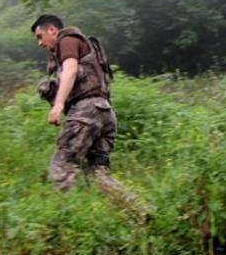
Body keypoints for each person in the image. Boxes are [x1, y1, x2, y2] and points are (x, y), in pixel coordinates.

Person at [32, 14, 149, 220]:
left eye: (40, 36)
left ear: (52, 30)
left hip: (86, 112)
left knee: (62, 167)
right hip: (105, 113)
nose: (40, 43)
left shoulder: (67, 40)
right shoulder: (82, 45)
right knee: (97, 175)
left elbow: (70, 70)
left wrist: (58, 105)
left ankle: (67, 224)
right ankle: (141, 213)